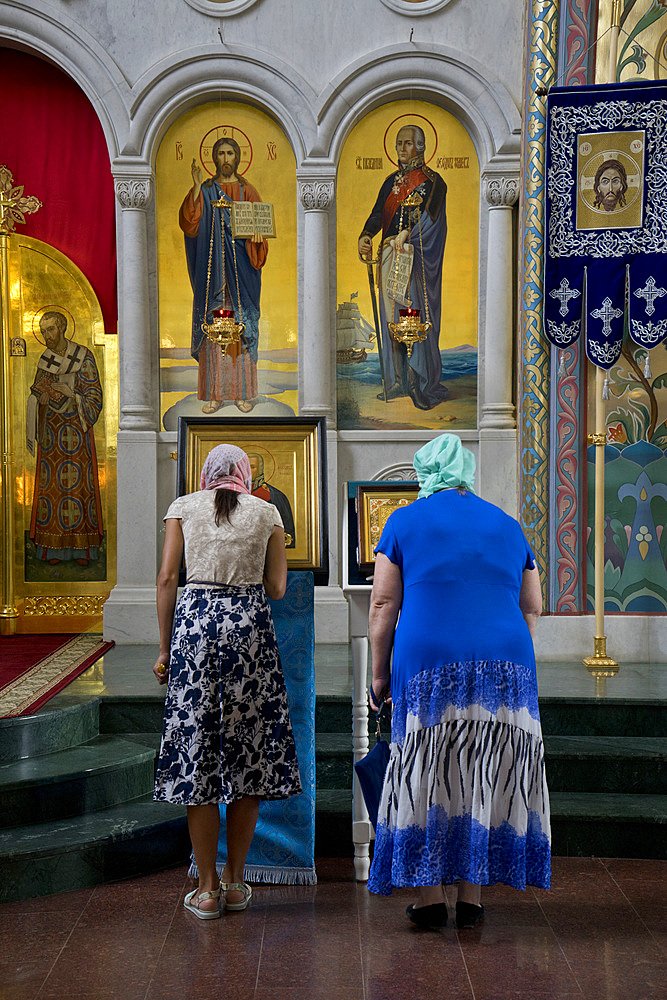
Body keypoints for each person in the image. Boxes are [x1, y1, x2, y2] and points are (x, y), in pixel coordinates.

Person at [366, 433, 550, 929]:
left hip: (429, 662)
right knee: (486, 768)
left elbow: (383, 604)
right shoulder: (509, 525)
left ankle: (428, 901)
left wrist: (378, 677)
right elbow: (532, 605)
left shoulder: (402, 521)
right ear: (466, 471)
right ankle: (471, 895)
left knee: (431, 769)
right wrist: (503, 642)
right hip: (508, 665)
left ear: (426, 473)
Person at [153, 443, 301, 919]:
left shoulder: (182, 507)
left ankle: (208, 890)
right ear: (244, 474)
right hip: (248, 631)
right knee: (248, 753)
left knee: (198, 754)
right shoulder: (267, 511)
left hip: (195, 628)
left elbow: (165, 580)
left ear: (206, 473)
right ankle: (237, 881)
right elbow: (277, 588)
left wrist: (163, 650)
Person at [358, 125, 449, 411]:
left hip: (416, 258)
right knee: (391, 318)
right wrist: (365, 235)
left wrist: (408, 234)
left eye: (408, 143)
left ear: (421, 147)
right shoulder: (389, 182)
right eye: (398, 143)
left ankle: (419, 383)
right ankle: (398, 381)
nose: (401, 148)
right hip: (389, 257)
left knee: (413, 316)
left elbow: (433, 221)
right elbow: (377, 215)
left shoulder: (434, 183)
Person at [179, 137, 268, 414]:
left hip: (240, 277)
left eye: (230, 153)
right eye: (221, 153)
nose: (226, 158)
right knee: (213, 332)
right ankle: (215, 395)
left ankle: (241, 394)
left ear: (237, 157)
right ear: (214, 158)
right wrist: (195, 186)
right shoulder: (205, 190)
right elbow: (190, 224)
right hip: (211, 277)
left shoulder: (246, 190)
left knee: (240, 332)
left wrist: (257, 238)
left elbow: (260, 226)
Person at [26, 310, 103, 566]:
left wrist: (72, 393)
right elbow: (37, 391)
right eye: (43, 331)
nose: (47, 336)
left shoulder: (83, 357)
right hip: (51, 436)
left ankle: (83, 549)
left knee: (80, 487)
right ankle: (52, 549)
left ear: (62, 328)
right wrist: (40, 399)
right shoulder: (45, 360)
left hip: (77, 433)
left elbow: (94, 395)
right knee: (52, 488)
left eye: (50, 329)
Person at [249, 451, 296, 548]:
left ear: (260, 469)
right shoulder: (233, 494)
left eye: (252, 467)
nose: (248, 471)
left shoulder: (275, 496)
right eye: (245, 467)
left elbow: (286, 530)